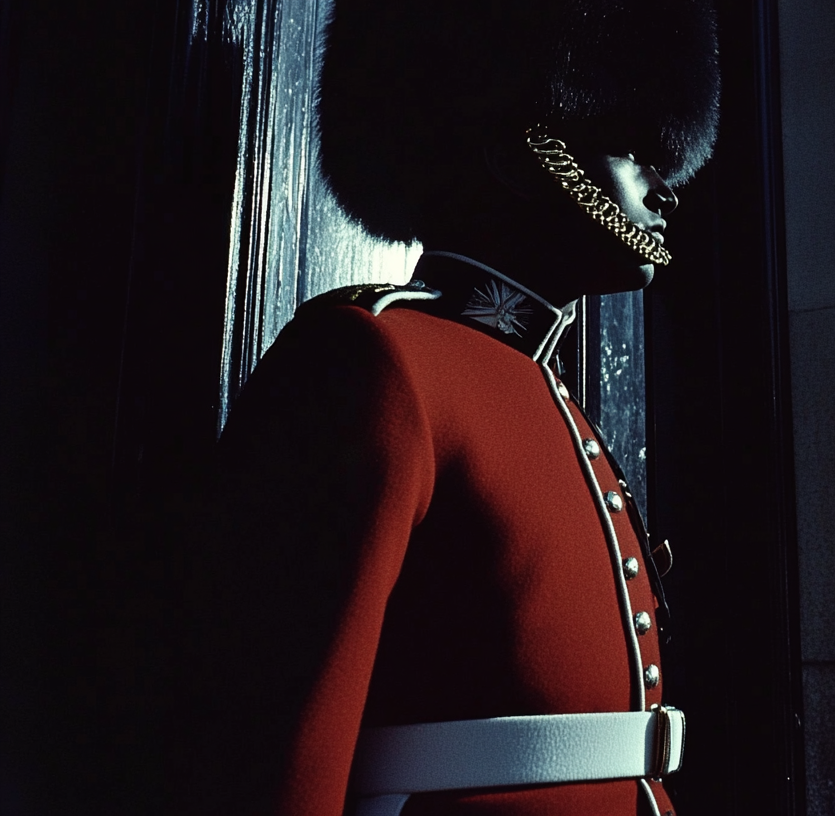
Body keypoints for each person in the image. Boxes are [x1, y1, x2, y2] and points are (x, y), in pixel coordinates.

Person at [182, 1, 720, 815]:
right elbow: (276, 767)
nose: (664, 187)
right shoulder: (377, 363)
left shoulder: (546, 394)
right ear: (517, 149)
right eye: (634, 146)